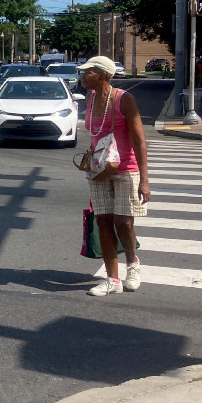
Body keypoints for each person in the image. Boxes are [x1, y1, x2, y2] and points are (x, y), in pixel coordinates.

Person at [75, 55, 150, 297]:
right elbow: (95, 134)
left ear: (104, 75)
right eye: (83, 72)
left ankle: (133, 265)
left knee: (123, 222)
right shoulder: (90, 97)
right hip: (99, 170)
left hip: (126, 168)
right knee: (103, 221)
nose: (83, 76)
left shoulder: (124, 99)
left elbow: (139, 140)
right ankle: (112, 279)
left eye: (89, 72)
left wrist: (145, 180)